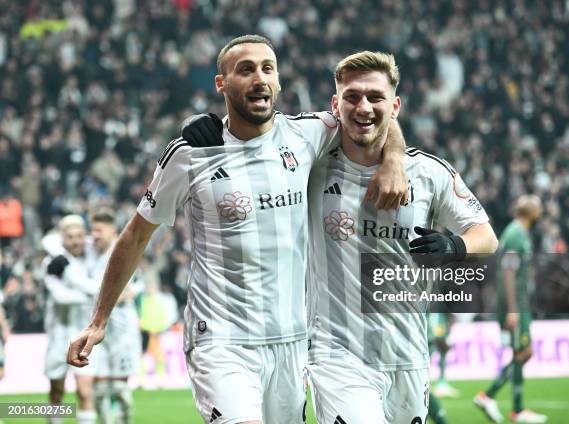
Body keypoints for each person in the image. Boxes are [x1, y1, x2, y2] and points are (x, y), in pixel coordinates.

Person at [68, 35, 407, 424]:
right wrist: (99, 320)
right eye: (245, 70)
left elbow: (374, 117)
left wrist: (394, 158)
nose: (259, 78)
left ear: (279, 81)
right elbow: (136, 235)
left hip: (290, 342)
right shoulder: (190, 153)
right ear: (221, 83)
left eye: (267, 68)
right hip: (221, 340)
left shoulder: (307, 134)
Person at [305, 51, 498, 423]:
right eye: (352, 97)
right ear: (335, 104)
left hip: (407, 354)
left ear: (395, 105)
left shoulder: (428, 172)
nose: (363, 106)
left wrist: (454, 246)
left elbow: (486, 236)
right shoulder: (311, 165)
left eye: (375, 97)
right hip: (337, 354)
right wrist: (209, 129)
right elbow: (259, 131)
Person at [474, 195, 548, 423]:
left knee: (524, 352)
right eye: (539, 207)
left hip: (519, 304)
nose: (542, 211)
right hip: (515, 305)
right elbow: (508, 272)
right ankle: (507, 405)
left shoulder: (518, 232)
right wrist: (514, 310)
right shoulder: (516, 234)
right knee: (522, 353)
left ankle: (495, 399)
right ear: (532, 211)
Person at [88, 209, 141, 424]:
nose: (95, 235)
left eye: (99, 230)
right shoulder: (89, 253)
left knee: (120, 389)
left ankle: (124, 420)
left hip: (122, 328)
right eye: (92, 230)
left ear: (112, 231)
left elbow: (125, 293)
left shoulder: (122, 253)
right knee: (99, 390)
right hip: (97, 326)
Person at [44, 215, 98, 424]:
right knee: (57, 392)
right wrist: (93, 294)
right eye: (70, 237)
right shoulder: (51, 262)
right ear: (62, 239)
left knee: (85, 391)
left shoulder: (92, 260)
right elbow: (60, 297)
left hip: (84, 333)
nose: (75, 241)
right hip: (58, 334)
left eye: (79, 236)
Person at [429, 313, 460, 398]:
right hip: (431, 332)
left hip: (440, 330)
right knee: (428, 357)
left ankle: (442, 383)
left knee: (442, 355)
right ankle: (427, 383)